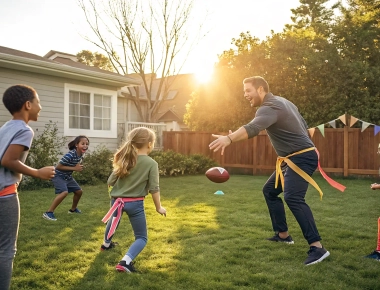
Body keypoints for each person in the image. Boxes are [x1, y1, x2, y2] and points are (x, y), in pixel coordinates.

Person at [209, 76, 345, 265]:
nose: (245, 95)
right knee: (270, 191)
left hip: (301, 157)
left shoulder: (270, 106)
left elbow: (254, 127)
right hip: (290, 158)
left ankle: (318, 247)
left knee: (293, 198)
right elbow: (303, 125)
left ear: (261, 89)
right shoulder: (283, 102)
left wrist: (229, 139)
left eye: (248, 90)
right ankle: (283, 235)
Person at [0, 84, 55, 290]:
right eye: (38, 102)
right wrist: (37, 173)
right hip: (4, 196)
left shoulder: (5, 128)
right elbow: (8, 160)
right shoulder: (24, 130)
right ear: (28, 105)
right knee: (5, 251)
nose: (40, 107)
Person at [101, 127, 166, 273]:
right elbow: (154, 188)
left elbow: (110, 180)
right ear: (149, 144)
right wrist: (159, 207)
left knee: (113, 222)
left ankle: (105, 244)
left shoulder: (125, 159)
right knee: (141, 237)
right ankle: (125, 262)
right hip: (135, 204)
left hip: (116, 202)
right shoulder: (151, 164)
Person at [42, 136, 89, 221]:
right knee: (64, 192)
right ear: (76, 145)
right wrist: (74, 168)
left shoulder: (81, 154)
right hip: (58, 175)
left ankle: (73, 210)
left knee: (79, 191)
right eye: (83, 143)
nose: (85, 145)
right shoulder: (70, 154)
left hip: (68, 176)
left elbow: (74, 165)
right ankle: (48, 212)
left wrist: (77, 167)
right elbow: (59, 167)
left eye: (86, 144)